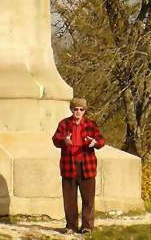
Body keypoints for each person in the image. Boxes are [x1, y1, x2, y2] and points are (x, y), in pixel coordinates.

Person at [52, 97, 105, 234]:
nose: (78, 112)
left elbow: (101, 140)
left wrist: (95, 143)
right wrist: (65, 141)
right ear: (71, 109)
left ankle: (87, 226)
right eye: (75, 109)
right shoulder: (64, 124)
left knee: (88, 199)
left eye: (81, 109)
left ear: (84, 111)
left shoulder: (90, 125)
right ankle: (71, 226)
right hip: (69, 165)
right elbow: (55, 140)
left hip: (86, 165)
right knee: (69, 199)